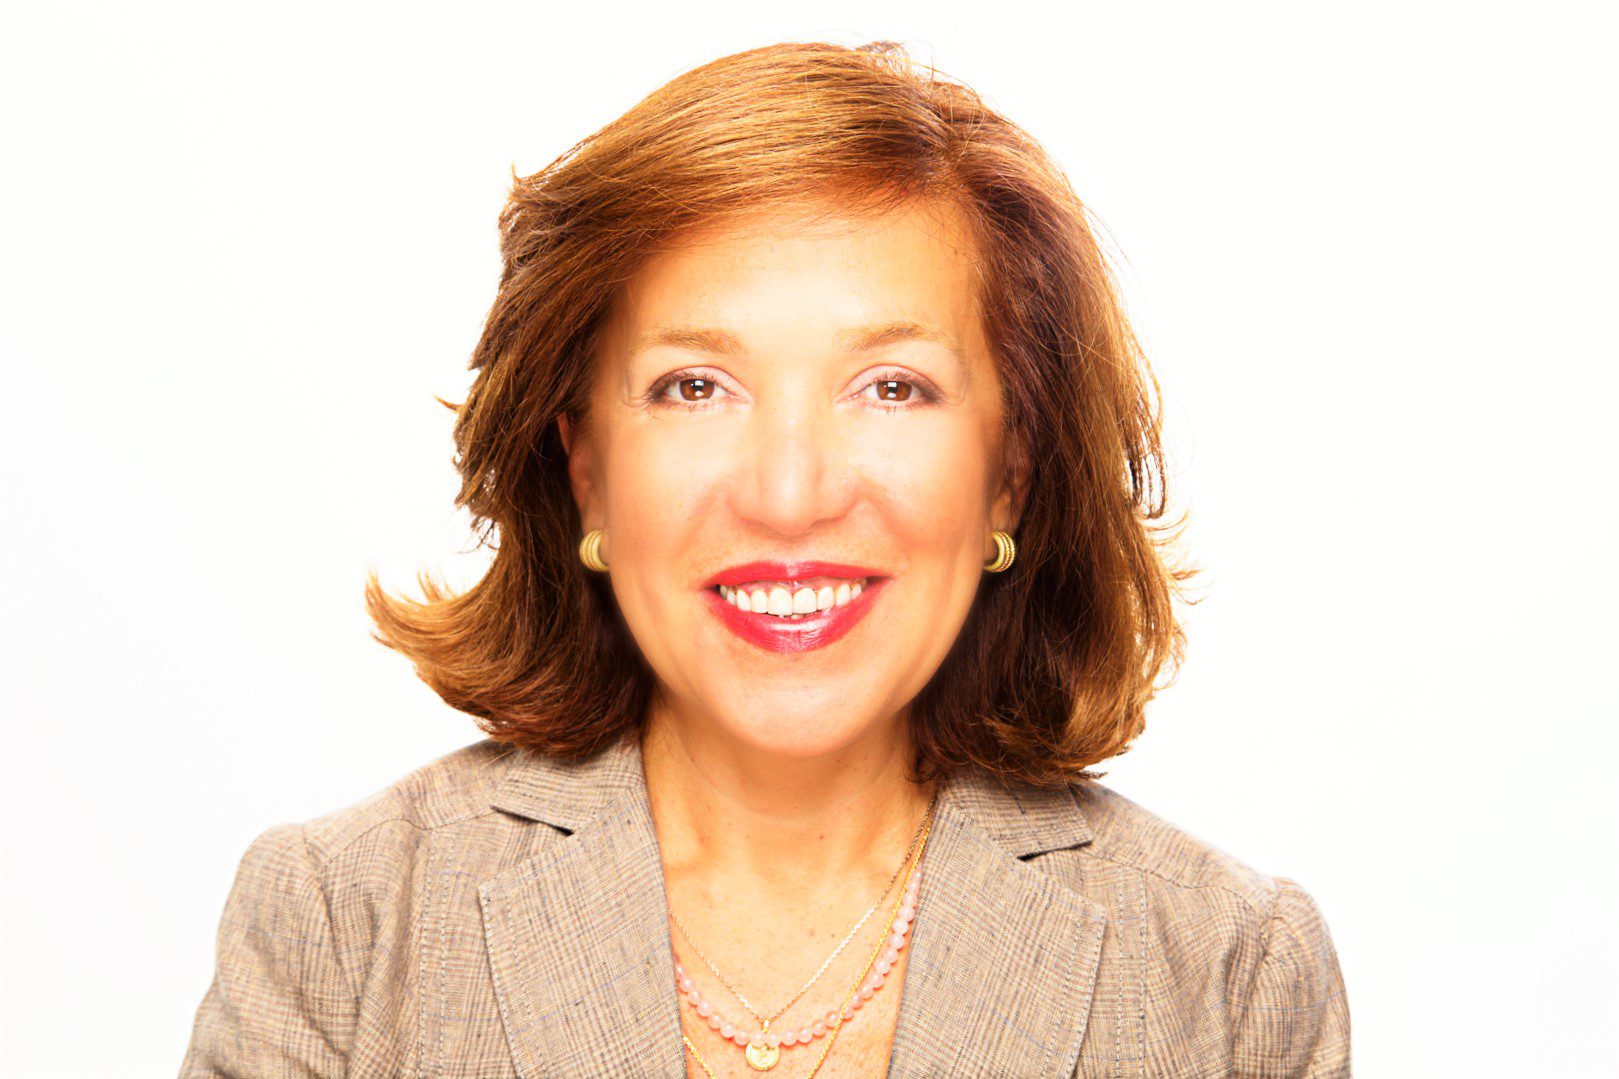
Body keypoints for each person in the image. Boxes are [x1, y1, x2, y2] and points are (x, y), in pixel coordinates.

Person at [181, 39, 1349, 1078]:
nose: (789, 495)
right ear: (585, 472)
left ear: (1009, 471)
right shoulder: (343, 924)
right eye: (694, 386)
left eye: (891, 387)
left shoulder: (1225, 975)